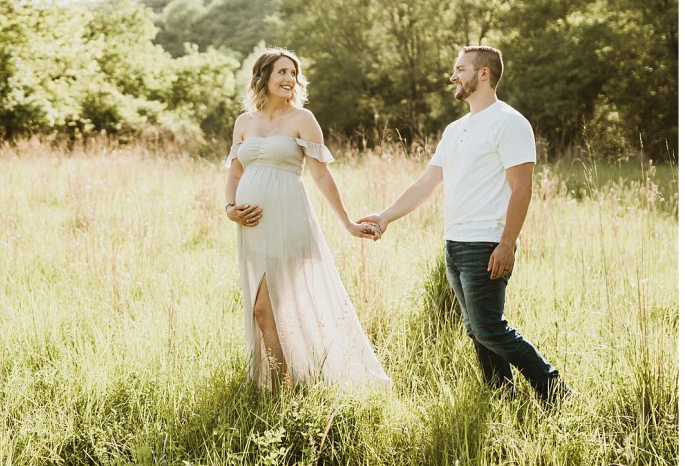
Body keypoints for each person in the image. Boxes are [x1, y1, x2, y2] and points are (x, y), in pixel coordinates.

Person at [358, 45, 572, 403]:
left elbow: (523, 188)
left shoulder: (510, 122)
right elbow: (427, 183)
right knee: (477, 330)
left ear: (483, 74)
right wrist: (385, 216)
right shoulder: (455, 129)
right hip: (454, 244)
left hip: (486, 243)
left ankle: (555, 390)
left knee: (490, 328)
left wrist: (507, 243)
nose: (453, 76)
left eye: (460, 69)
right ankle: (501, 396)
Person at [224, 48, 391, 392]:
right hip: (252, 229)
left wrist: (346, 223)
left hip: (289, 220)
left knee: (263, 310)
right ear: (263, 77)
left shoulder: (303, 119)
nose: (290, 79)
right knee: (266, 311)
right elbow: (235, 172)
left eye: (294, 73)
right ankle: (280, 387)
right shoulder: (244, 122)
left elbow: (321, 177)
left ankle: (281, 393)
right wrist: (229, 208)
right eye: (282, 72)